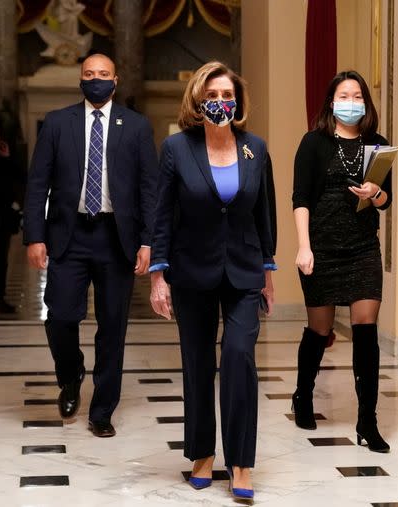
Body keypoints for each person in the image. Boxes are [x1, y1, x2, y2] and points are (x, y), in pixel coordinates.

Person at [149, 61, 276, 503]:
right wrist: (158, 275)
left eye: (227, 95)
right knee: (198, 363)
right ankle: (202, 454)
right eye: (212, 95)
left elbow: (265, 213)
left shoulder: (255, 148)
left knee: (239, 358)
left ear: (236, 100)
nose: (220, 102)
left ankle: (241, 463)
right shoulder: (176, 149)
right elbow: (163, 214)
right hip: (191, 272)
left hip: (244, 272)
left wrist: (269, 269)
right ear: (197, 101)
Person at [23, 52, 158, 438]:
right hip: (69, 235)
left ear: (116, 81)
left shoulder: (136, 126)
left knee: (112, 328)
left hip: (118, 238)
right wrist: (35, 235)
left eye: (103, 74)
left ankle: (102, 410)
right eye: (89, 74)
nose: (95, 79)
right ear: (80, 79)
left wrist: (148, 242)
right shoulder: (56, 123)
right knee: (61, 315)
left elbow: (150, 190)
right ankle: (70, 374)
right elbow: (37, 185)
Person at [291, 70, 391, 453]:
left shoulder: (377, 146)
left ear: (365, 102)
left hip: (363, 248)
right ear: (331, 102)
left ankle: (368, 419)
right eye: (343, 95)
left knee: (367, 329)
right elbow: (300, 198)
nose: (351, 101)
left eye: (357, 95)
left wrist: (376, 191)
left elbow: (387, 200)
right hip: (322, 247)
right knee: (320, 329)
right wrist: (304, 247)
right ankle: (303, 394)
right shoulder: (314, 143)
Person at [0, 128, 23, 314]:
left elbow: (18, 178)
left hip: (3, 217)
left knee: (2, 261)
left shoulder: (5, 161)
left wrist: (7, 158)